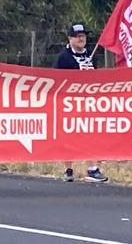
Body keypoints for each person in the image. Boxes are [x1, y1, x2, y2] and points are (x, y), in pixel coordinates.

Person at [54, 23, 109, 183]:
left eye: (83, 36)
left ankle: (92, 169)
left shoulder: (91, 55)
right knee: (68, 135)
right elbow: (57, 79)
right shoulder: (63, 57)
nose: (81, 39)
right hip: (69, 102)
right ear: (70, 38)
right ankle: (68, 169)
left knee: (91, 134)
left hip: (89, 102)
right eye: (78, 36)